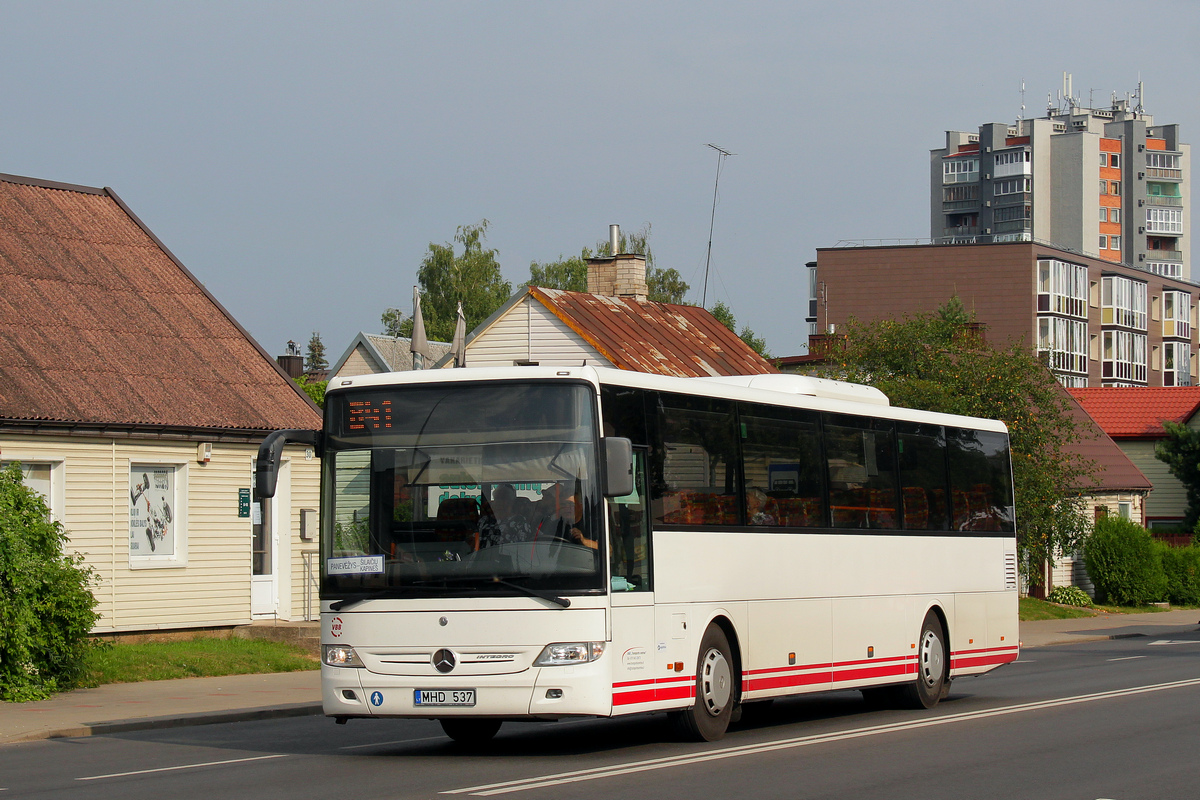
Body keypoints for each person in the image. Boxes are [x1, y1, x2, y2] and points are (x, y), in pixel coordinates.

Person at [476, 484, 534, 548]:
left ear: (512, 502)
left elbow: (522, 548)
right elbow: (475, 544)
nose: (500, 502)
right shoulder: (484, 520)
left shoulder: (519, 522)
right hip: (483, 556)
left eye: (504, 498)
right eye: (497, 498)